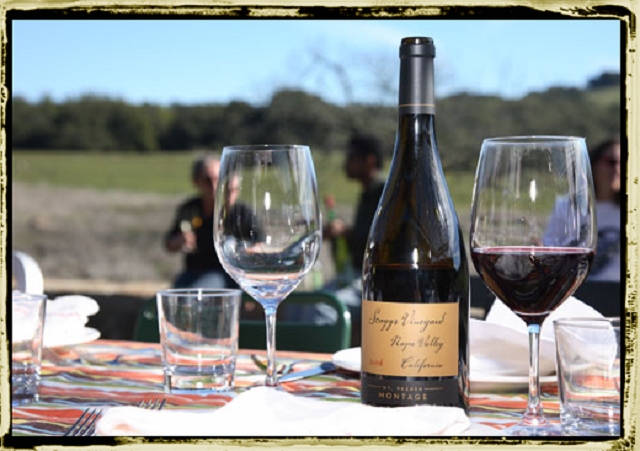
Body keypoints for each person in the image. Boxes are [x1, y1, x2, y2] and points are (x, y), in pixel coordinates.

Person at [164, 154, 235, 289]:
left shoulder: (237, 212)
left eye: (218, 179)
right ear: (196, 182)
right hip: (192, 271)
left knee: (194, 293)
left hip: (223, 273)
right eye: (208, 180)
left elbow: (259, 244)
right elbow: (169, 244)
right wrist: (179, 240)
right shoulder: (190, 209)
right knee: (172, 296)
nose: (213, 185)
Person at [588, 137, 621, 281]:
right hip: (581, 288)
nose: (617, 169)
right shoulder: (567, 206)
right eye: (611, 162)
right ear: (594, 164)